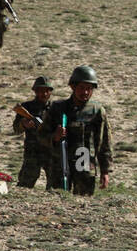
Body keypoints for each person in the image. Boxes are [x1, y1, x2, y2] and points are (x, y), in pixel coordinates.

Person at [39, 65, 112, 196]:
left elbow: (104, 142)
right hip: (60, 162)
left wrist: (105, 171)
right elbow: (41, 135)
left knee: (82, 203)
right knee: (56, 201)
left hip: (84, 162)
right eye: (81, 88)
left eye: (89, 89)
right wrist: (54, 137)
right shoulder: (57, 108)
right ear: (73, 87)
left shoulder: (96, 111)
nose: (85, 92)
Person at [12, 77, 54, 188]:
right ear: (35, 91)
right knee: (25, 184)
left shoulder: (56, 108)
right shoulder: (27, 107)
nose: (43, 94)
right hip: (32, 151)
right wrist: (23, 124)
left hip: (51, 151)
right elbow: (16, 129)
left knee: (55, 185)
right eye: (40, 90)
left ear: (50, 91)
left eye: (46, 91)